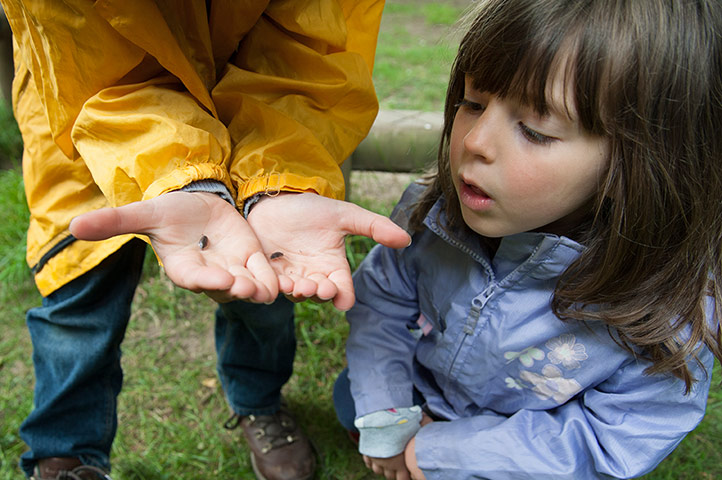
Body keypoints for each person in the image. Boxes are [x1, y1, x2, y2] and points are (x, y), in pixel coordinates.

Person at [1, 1, 411, 480]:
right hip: (81, 115)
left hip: (250, 124)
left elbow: (308, 47)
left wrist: (282, 179)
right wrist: (186, 179)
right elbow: (96, 64)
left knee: (264, 284)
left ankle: (258, 402)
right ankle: (64, 455)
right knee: (79, 296)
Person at [332, 0, 722, 478]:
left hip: (526, 445)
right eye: (472, 103)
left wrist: (440, 454)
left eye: (535, 130)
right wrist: (389, 417)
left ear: (643, 165)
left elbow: (608, 440)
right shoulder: (431, 212)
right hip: (428, 388)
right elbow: (380, 303)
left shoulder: (667, 311)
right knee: (351, 397)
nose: (475, 141)